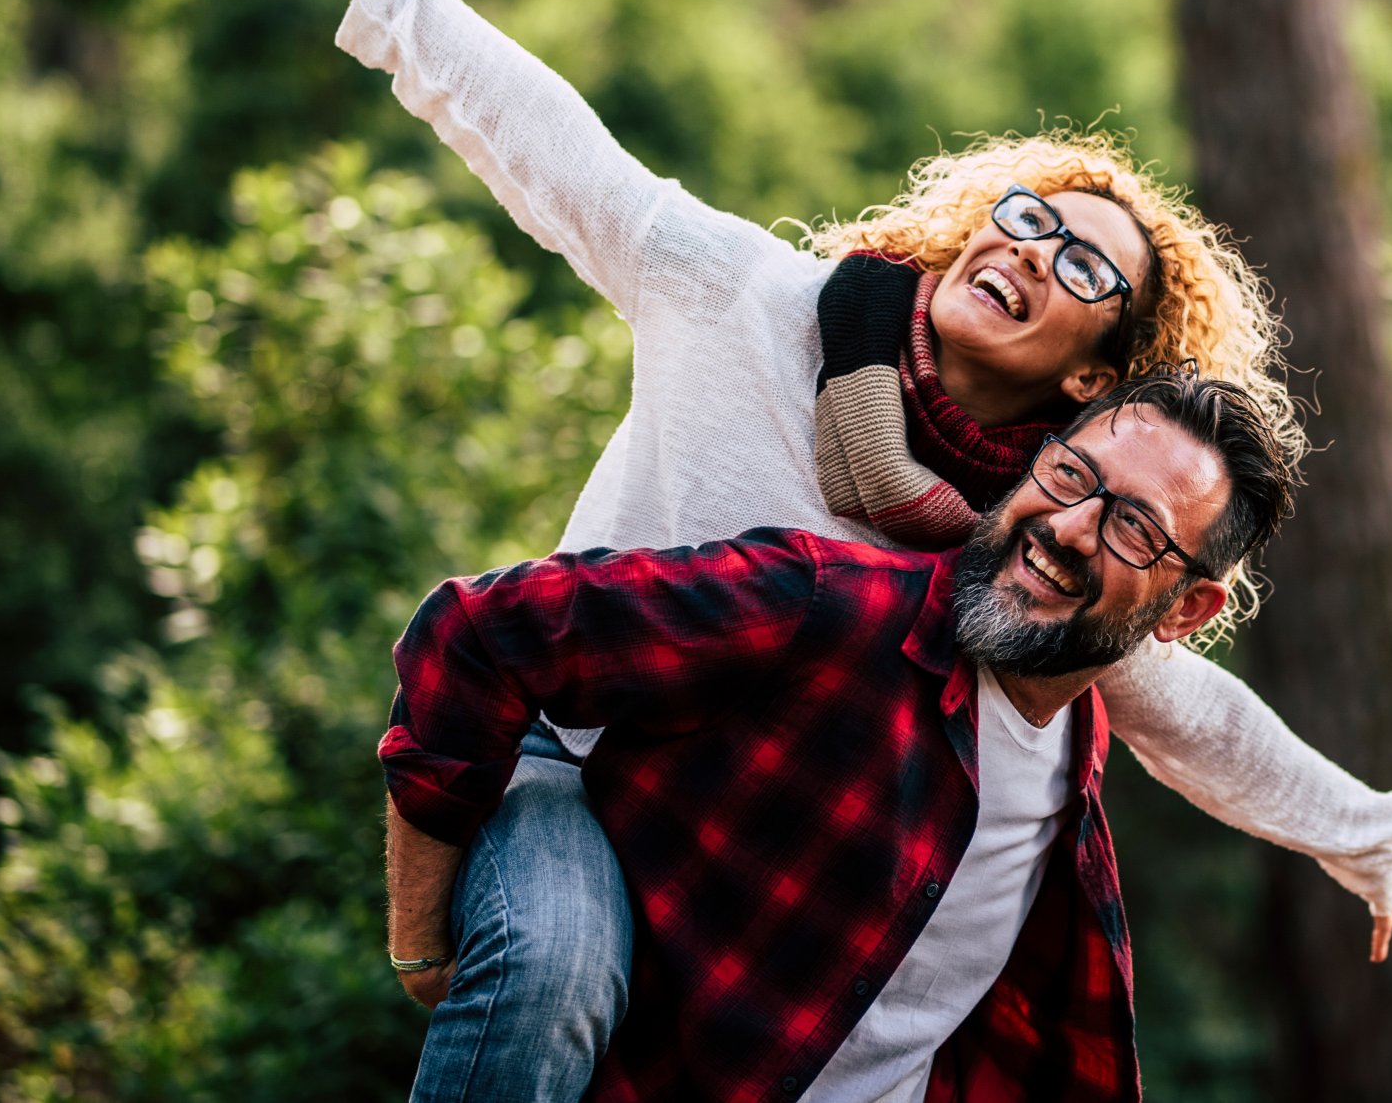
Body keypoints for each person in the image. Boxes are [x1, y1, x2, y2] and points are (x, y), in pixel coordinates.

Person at [212, 0, 1392, 1103]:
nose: (1034, 250)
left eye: (1082, 265)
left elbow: (1177, 705)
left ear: (1096, 373)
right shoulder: (752, 301)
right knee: (555, 960)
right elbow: (558, 155)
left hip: (730, 839)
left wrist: (1362, 828)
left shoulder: (1042, 527)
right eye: (1026, 218)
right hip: (577, 748)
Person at [384, 373, 1325, 1102]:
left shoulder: (1076, 758)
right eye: (1073, 475)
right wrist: (423, 945)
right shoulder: (829, 605)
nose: (1072, 527)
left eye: (1133, 529)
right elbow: (476, 631)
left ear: (1187, 609)